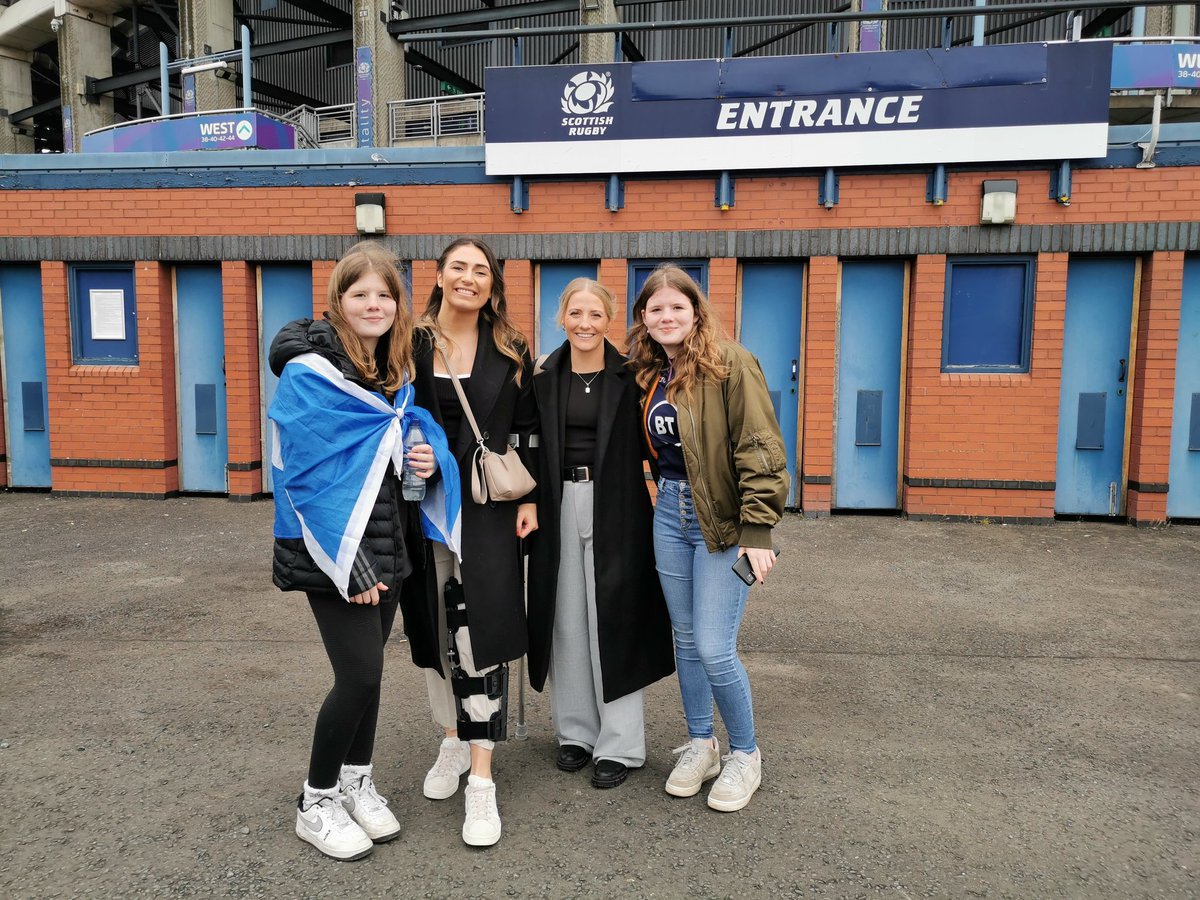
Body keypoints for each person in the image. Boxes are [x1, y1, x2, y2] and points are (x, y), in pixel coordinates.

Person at [268, 242, 459, 860]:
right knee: (358, 675)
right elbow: (300, 474)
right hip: (337, 549)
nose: (373, 305)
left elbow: (407, 437)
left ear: (398, 304)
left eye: (385, 295)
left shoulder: (393, 373)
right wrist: (348, 558)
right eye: (360, 295)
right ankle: (316, 800)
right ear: (338, 302)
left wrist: (426, 458)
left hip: (391, 542)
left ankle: (356, 782)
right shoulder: (309, 374)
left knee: (371, 678)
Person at [626, 264, 789, 812]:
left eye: (677, 306)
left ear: (696, 311)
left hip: (720, 520)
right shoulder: (650, 373)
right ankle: (702, 744)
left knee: (717, 648)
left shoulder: (730, 364)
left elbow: (759, 446)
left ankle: (746, 753)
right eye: (655, 309)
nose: (666, 316)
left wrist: (758, 530)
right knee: (687, 641)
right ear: (644, 319)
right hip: (668, 511)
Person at [398, 237, 538, 847]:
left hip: (484, 511)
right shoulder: (410, 342)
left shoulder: (510, 347)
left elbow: (528, 427)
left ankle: (482, 778)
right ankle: (451, 739)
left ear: (493, 284)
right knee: (433, 629)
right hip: (423, 510)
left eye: (481, 271)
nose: (469, 278)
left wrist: (529, 497)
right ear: (439, 275)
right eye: (459, 267)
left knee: (480, 632)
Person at [526, 278, 675, 790]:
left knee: (612, 618)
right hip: (558, 503)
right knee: (566, 617)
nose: (584, 324)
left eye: (594, 314)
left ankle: (621, 744)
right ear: (561, 318)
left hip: (618, 507)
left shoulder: (632, 376)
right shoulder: (543, 375)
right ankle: (576, 734)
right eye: (575, 313)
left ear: (608, 320)